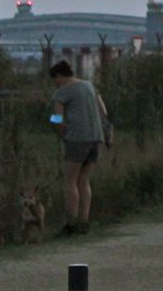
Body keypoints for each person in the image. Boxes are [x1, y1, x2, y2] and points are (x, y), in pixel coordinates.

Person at [49, 59, 110, 235]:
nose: (56, 83)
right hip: (96, 137)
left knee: (69, 181)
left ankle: (71, 223)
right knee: (84, 180)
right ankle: (84, 221)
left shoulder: (62, 93)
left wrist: (59, 131)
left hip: (77, 138)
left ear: (59, 76)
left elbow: (57, 118)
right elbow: (103, 112)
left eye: (55, 79)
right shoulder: (89, 86)